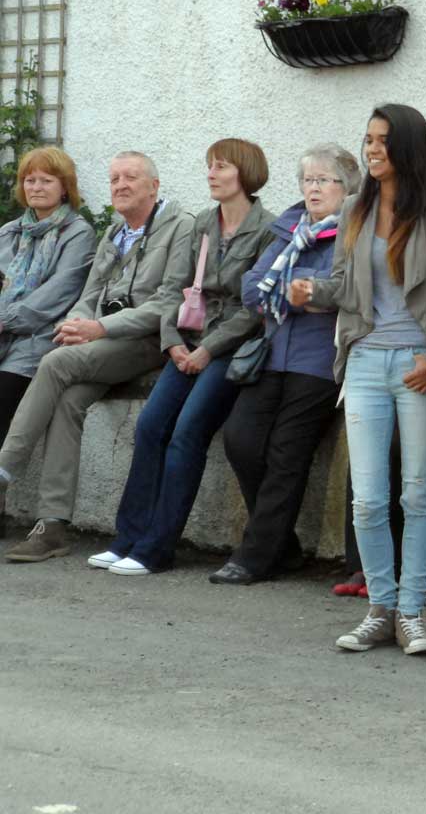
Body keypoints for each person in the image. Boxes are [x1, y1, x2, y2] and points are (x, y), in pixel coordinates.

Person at [290, 105, 426, 655]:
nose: (372, 149)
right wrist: (311, 292)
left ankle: (412, 613)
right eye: (368, 139)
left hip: (419, 363)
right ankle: (380, 608)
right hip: (362, 362)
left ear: (407, 146)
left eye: (382, 140)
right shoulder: (357, 207)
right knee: (367, 499)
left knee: (420, 494)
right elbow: (343, 286)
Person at [1, 152, 194, 563]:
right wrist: (76, 324)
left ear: (154, 186)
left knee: (53, 363)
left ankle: (3, 469)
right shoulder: (114, 232)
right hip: (101, 344)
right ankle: (52, 526)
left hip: (144, 341)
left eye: (130, 178)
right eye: (114, 179)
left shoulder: (180, 227)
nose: (120, 185)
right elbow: (89, 295)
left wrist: (100, 329)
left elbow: (168, 302)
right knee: (68, 402)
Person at [95, 139, 273, 575]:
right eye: (209, 166)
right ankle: (128, 537)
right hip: (186, 342)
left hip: (227, 350)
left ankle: (157, 547)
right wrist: (173, 341)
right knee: (151, 425)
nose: (211, 174)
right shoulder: (202, 224)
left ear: (245, 174)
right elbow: (173, 289)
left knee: (186, 433)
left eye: (221, 167)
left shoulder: (268, 228)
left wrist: (207, 350)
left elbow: (253, 309)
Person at [209, 144, 360, 585]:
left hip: (318, 363)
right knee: (240, 439)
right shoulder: (289, 228)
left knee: (286, 453)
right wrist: (300, 295)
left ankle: (254, 556)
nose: (312, 188)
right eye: (307, 180)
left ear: (346, 186)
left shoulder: (351, 231)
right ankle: (282, 545)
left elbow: (340, 290)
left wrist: (305, 293)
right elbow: (253, 289)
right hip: (272, 354)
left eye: (323, 180)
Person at [0, 148, 95, 449]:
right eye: (30, 180)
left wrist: (4, 320)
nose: (36, 187)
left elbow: (60, 290)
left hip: (39, 337)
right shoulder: (8, 232)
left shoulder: (78, 234)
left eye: (46, 180)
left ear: (65, 187)